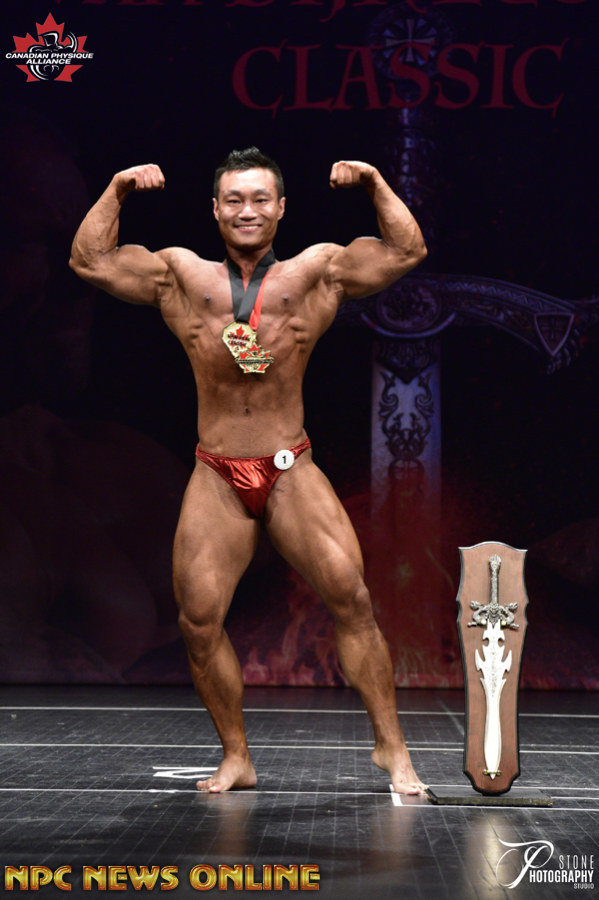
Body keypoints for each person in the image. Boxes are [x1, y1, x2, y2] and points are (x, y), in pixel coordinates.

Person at [69, 147, 428, 794]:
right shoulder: (181, 275)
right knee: (197, 621)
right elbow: (89, 260)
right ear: (215, 209)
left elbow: (406, 251)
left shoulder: (315, 271)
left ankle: (392, 749)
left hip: (290, 467)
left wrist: (376, 182)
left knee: (352, 598)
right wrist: (117, 189)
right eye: (234, 199)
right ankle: (237, 756)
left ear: (281, 207)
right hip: (217, 474)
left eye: (260, 198)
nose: (247, 210)